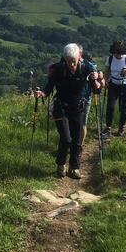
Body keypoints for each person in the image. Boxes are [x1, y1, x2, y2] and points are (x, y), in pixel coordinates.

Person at [34, 43, 103, 179]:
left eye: (74, 61)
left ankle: (74, 167)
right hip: (60, 106)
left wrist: (96, 82)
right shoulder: (59, 69)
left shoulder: (87, 68)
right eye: (68, 61)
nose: (71, 64)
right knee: (66, 138)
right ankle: (60, 165)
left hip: (78, 107)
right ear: (64, 59)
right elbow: (49, 87)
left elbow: (97, 90)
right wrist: (42, 94)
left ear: (79, 57)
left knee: (77, 139)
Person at [101, 40, 126, 137]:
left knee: (123, 108)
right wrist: (105, 80)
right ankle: (108, 128)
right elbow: (107, 71)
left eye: (119, 53)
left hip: (125, 86)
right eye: (115, 53)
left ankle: (122, 127)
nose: (117, 55)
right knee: (110, 107)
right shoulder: (110, 59)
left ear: (122, 52)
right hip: (113, 85)